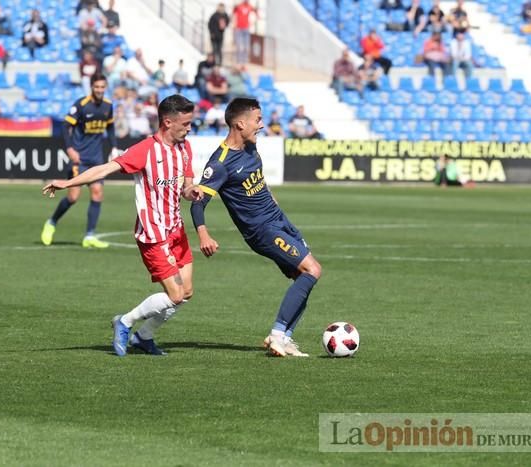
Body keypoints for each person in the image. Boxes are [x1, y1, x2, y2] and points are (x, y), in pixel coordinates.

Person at [42, 95, 203, 357]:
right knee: (175, 295)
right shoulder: (144, 150)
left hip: (176, 228)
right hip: (153, 233)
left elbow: (185, 186)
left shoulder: (184, 147)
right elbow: (104, 169)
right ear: (167, 122)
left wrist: (191, 190)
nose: (189, 128)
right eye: (185, 123)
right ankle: (125, 322)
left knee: (187, 292)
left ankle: (144, 336)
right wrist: (69, 183)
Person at [190, 98, 322, 357]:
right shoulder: (220, 163)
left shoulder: (251, 148)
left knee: (302, 278)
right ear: (240, 123)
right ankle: (277, 334)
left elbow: (261, 184)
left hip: (279, 221)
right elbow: (197, 204)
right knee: (312, 270)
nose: (262, 125)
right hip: (261, 231)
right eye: (257, 119)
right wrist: (203, 234)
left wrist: (281, 215)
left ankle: (283, 338)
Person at [40, 74, 115, 249]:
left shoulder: (108, 106)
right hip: (79, 158)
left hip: (96, 159)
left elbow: (110, 127)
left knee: (97, 193)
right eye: (96, 87)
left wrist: (114, 147)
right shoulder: (81, 105)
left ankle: (89, 235)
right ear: (91, 87)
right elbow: (66, 127)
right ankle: (51, 222)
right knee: (73, 197)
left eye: (102, 87)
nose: (99, 90)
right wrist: (70, 149)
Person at [233, 0, 257, 65]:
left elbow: (256, 12)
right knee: (239, 46)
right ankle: (238, 60)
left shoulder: (250, 6)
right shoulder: (239, 6)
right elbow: (233, 13)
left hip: (246, 28)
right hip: (239, 28)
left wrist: (253, 23)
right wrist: (234, 25)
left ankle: (244, 61)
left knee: (246, 46)